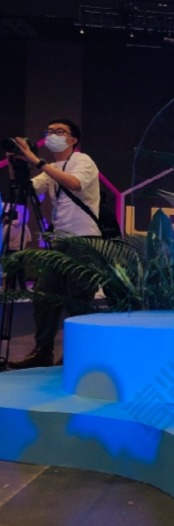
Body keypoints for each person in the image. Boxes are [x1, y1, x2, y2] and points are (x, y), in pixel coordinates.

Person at [7, 119, 101, 369]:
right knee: (44, 295)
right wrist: (17, 164)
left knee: (78, 298)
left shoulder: (83, 160)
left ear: (73, 140)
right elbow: (27, 190)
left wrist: (37, 161)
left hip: (84, 238)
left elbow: (74, 183)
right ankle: (43, 351)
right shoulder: (50, 169)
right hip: (59, 240)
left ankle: (79, 353)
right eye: (49, 131)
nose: (52, 135)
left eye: (60, 131)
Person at [2, 208, 31, 290]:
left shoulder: (7, 227)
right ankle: (23, 287)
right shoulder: (24, 226)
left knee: (10, 270)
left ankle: (10, 288)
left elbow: (3, 239)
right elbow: (29, 239)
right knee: (21, 270)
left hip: (10, 250)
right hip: (21, 251)